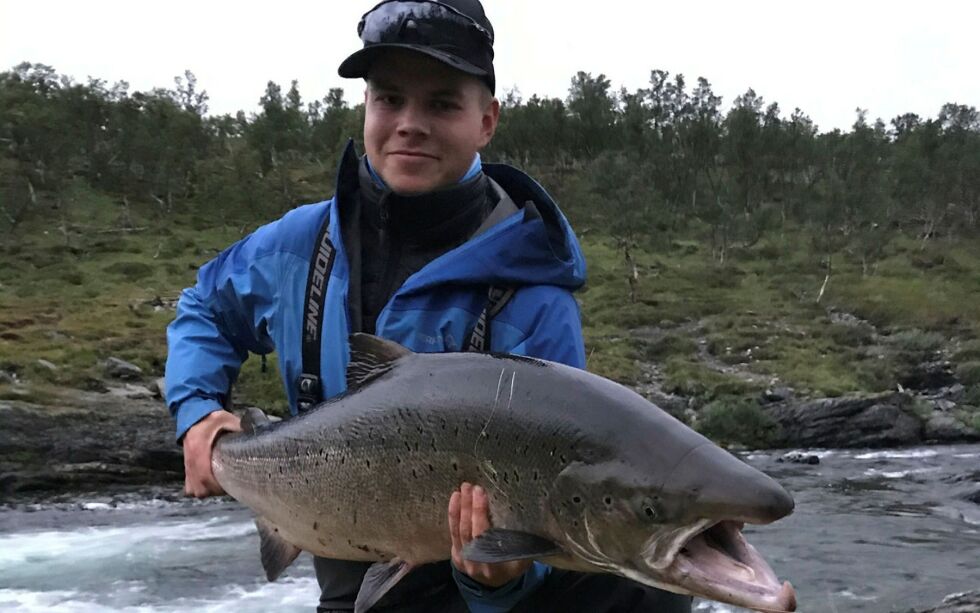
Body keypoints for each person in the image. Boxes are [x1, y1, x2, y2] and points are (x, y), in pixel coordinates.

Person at [165, 1, 693, 611]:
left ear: (487, 121)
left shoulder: (534, 295)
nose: (410, 123)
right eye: (389, 99)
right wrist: (197, 410)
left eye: (442, 103)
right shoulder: (293, 248)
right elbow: (204, 305)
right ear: (366, 107)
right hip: (348, 578)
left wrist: (499, 582)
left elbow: (564, 517)